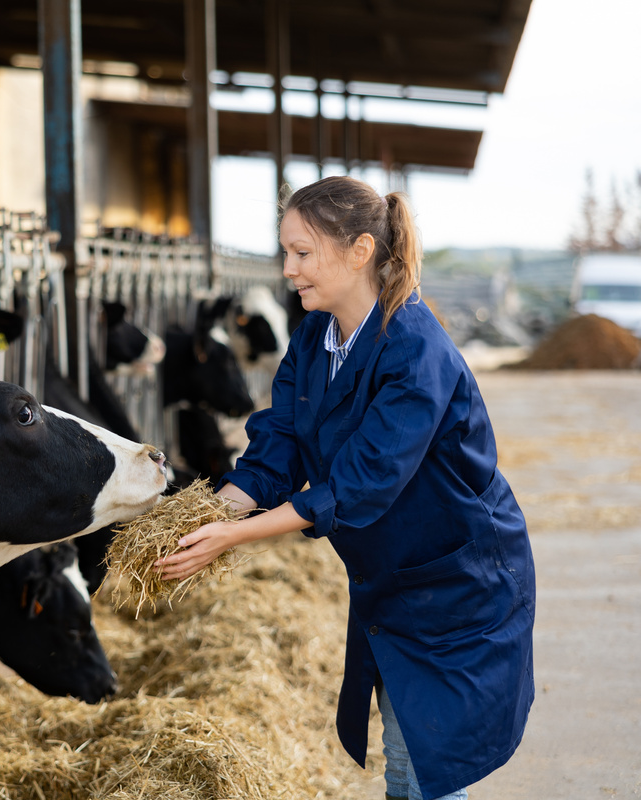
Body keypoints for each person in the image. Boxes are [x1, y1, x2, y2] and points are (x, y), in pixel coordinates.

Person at [155, 176, 535, 800]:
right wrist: (209, 514)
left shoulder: (415, 348)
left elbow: (361, 484)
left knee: (424, 762)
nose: (288, 270)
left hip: (459, 576)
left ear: (360, 251)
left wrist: (235, 535)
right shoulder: (315, 336)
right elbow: (277, 443)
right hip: (392, 571)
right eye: (286, 252)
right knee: (408, 755)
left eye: (303, 253)